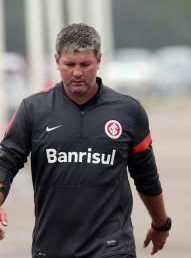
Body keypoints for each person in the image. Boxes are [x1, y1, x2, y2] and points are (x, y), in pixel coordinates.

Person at [0, 23, 171, 257]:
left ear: (99, 60)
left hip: (112, 247)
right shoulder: (33, 110)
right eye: (69, 64)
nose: (77, 72)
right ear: (56, 61)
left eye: (85, 64)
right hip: (52, 247)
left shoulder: (128, 111)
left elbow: (146, 175)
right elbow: (6, 161)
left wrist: (161, 223)